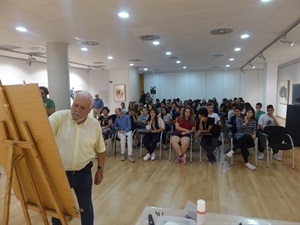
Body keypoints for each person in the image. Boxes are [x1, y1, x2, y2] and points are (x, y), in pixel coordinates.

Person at [49, 91, 105, 225]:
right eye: (75, 105)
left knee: (86, 208)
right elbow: (42, 133)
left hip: (83, 174)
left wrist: (100, 169)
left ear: (90, 110)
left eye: (82, 108)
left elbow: (101, 150)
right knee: (59, 210)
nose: (77, 110)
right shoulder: (59, 118)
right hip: (60, 174)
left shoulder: (94, 124)